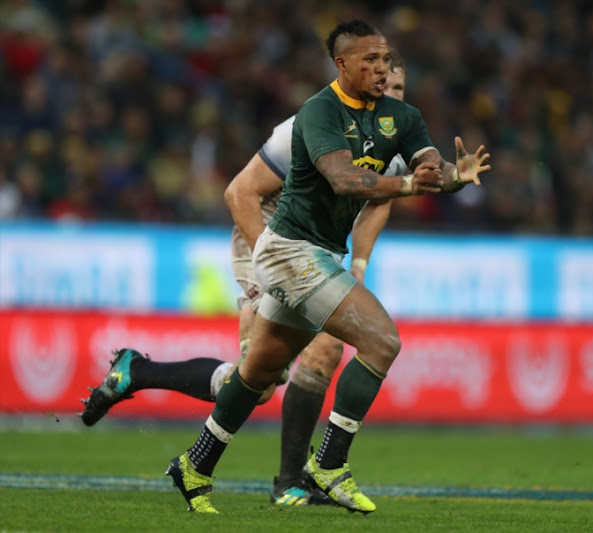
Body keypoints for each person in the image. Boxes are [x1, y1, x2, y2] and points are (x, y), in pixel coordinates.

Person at [165, 19, 490, 515]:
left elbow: (429, 166)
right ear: (342, 65)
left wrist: (454, 176)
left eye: (385, 60)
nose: (381, 69)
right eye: (370, 61)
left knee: (259, 372)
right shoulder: (319, 111)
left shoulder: (402, 116)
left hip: (318, 253)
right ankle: (329, 464)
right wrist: (408, 187)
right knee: (382, 340)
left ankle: (194, 465)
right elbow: (343, 178)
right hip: (288, 248)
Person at [80, 53, 411, 506]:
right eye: (383, 85)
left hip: (313, 251)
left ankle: (138, 374)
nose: (389, 96)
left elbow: (379, 202)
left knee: (257, 378)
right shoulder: (313, 125)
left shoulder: (393, 145)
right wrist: (269, 265)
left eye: (398, 90)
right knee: (299, 359)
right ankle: (295, 478)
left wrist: (359, 264)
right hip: (270, 235)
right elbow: (240, 192)